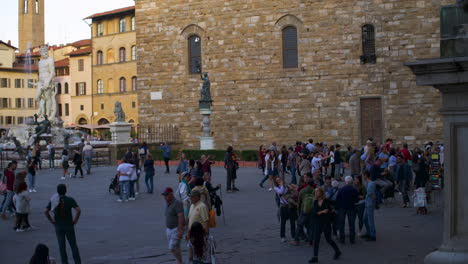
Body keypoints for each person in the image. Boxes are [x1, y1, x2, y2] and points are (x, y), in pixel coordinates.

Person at [45, 184, 82, 264]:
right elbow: (78, 210)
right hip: (69, 224)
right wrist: (75, 220)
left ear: (57, 191)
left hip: (58, 225)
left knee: (62, 246)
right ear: (66, 191)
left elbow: (46, 211)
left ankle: (64, 262)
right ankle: (77, 262)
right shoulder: (70, 199)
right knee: (73, 245)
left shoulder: (54, 200)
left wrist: (51, 220)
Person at [309, 188, 341, 263]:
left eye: (318, 192)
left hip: (326, 223)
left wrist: (331, 211)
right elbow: (313, 213)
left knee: (328, 239)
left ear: (321, 193)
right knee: (316, 240)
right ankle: (315, 257)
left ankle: (337, 251)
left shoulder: (327, 201)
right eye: (315, 192)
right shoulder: (315, 202)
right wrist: (322, 212)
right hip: (318, 223)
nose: (316, 193)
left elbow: (336, 204)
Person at [162, 187, 185, 264]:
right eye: (164, 195)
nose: (165, 197)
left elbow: (181, 216)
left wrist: (180, 229)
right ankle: (179, 261)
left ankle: (179, 261)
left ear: (171, 194)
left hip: (176, 228)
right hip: (169, 229)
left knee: (172, 247)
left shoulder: (177, 203)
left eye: (166, 195)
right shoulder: (168, 203)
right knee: (176, 247)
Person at [336, 176, 359, 244]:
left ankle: (342, 239)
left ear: (345, 182)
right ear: (351, 182)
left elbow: (338, 200)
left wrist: (337, 208)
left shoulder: (341, 189)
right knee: (351, 224)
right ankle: (352, 239)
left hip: (342, 208)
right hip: (351, 208)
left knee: (341, 224)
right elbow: (356, 200)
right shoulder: (354, 190)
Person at [274, 177, 297, 243]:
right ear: (276, 183)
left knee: (292, 222)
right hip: (283, 207)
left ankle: (293, 236)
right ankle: (282, 236)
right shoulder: (277, 188)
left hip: (290, 206)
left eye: (280, 180)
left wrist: (289, 186)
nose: (279, 181)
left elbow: (294, 189)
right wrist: (281, 185)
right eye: (278, 181)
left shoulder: (287, 186)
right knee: (283, 222)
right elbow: (281, 192)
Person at [293, 178, 315, 246]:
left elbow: (299, 203)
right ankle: (310, 241)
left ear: (307, 184)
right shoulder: (315, 191)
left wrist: (298, 211)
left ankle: (296, 240)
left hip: (304, 210)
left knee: (299, 225)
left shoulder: (302, 191)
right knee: (310, 227)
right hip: (312, 211)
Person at [363, 170, 377, 241]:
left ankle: (372, 235)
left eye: (364, 175)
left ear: (366, 176)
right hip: (367, 203)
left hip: (370, 203)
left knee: (370, 220)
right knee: (365, 219)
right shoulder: (369, 183)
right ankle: (369, 232)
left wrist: (375, 204)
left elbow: (373, 195)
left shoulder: (370, 184)